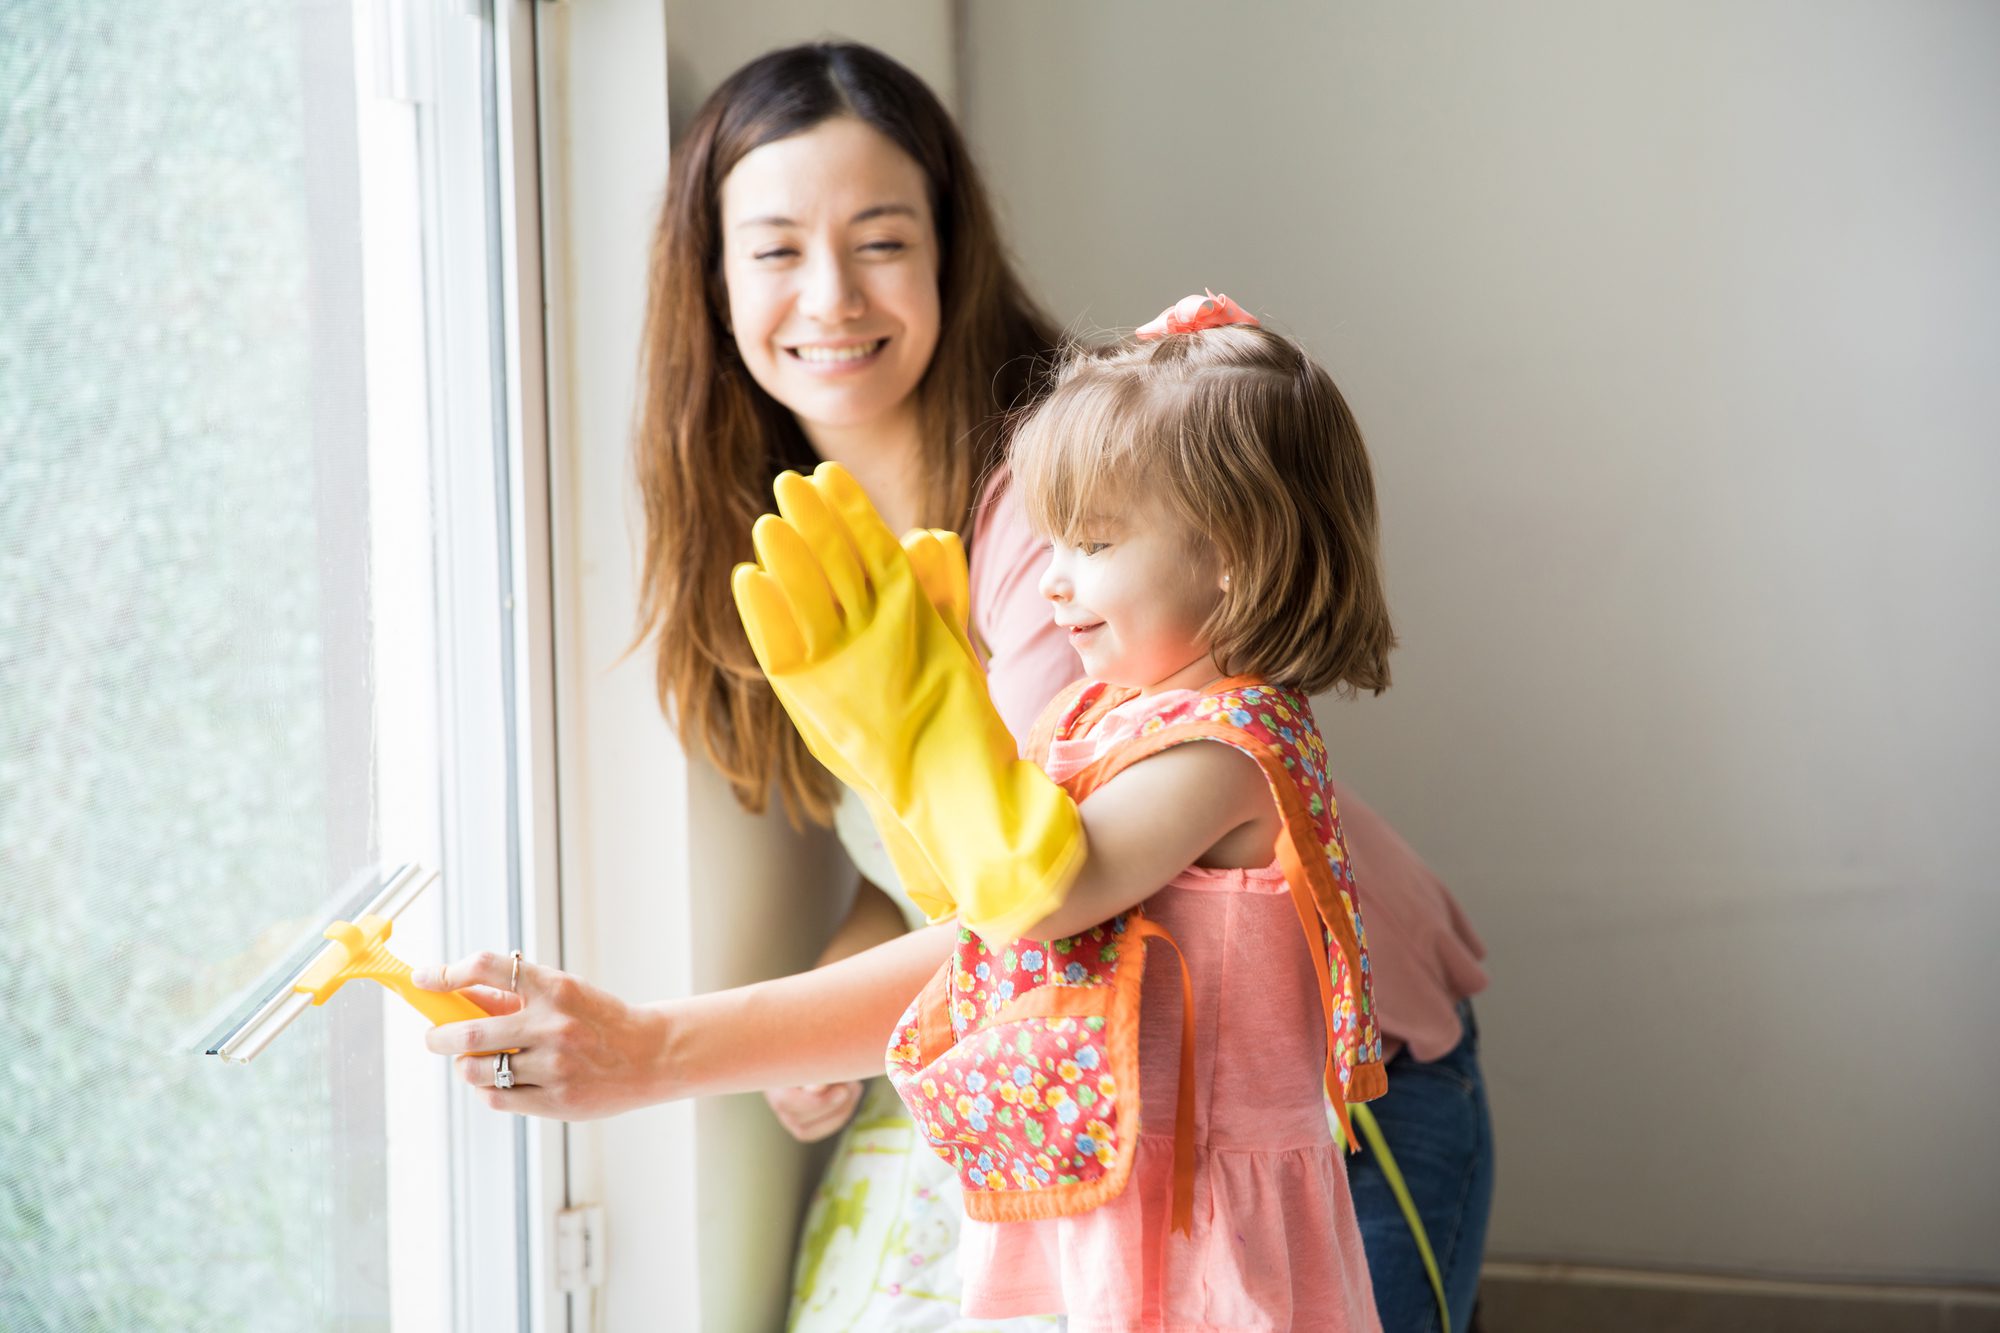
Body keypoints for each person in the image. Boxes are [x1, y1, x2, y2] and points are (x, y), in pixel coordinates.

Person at [414, 42, 1490, 1333]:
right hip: (1135, 1063)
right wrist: (850, 946)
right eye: (772, 249)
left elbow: (1044, 901)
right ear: (706, 279)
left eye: (880, 240)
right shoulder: (791, 532)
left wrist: (655, 1048)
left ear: (947, 252)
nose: (829, 295)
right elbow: (934, 863)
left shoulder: (1051, 527)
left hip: (1313, 1094)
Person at [728, 295, 1399, 1328]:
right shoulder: (1101, 713)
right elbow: (970, 894)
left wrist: (927, 718)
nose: (1050, 584)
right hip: (1122, 1190)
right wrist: (884, 747)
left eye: (1086, 542)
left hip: (1206, 1226)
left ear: (1230, 551)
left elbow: (1051, 893)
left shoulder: (1231, 748)